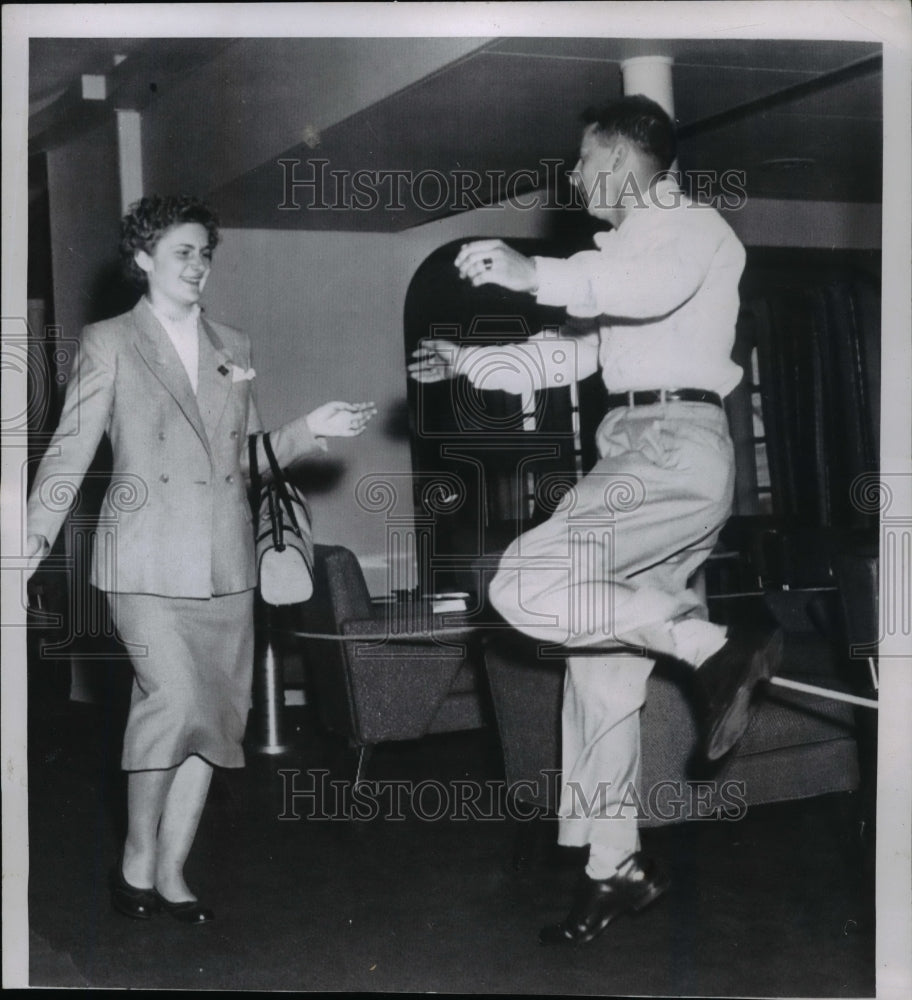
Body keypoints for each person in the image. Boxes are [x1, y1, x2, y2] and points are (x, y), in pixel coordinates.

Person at [409, 95, 782, 946]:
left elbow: (640, 290)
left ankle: (712, 646)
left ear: (618, 158)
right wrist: (471, 360)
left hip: (671, 449)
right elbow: (571, 353)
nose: (575, 177)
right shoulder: (614, 254)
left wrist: (529, 271)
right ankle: (616, 869)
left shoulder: (690, 227)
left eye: (584, 160)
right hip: (640, 452)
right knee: (601, 671)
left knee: (524, 582)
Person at [24, 195, 377, 924]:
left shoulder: (233, 346)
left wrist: (311, 426)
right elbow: (70, 449)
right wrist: (27, 543)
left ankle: (173, 869)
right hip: (145, 563)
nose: (197, 266)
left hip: (224, 562)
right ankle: (136, 855)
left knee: (216, 721)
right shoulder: (110, 341)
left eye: (205, 253)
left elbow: (240, 461)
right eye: (182, 252)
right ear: (145, 258)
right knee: (174, 703)